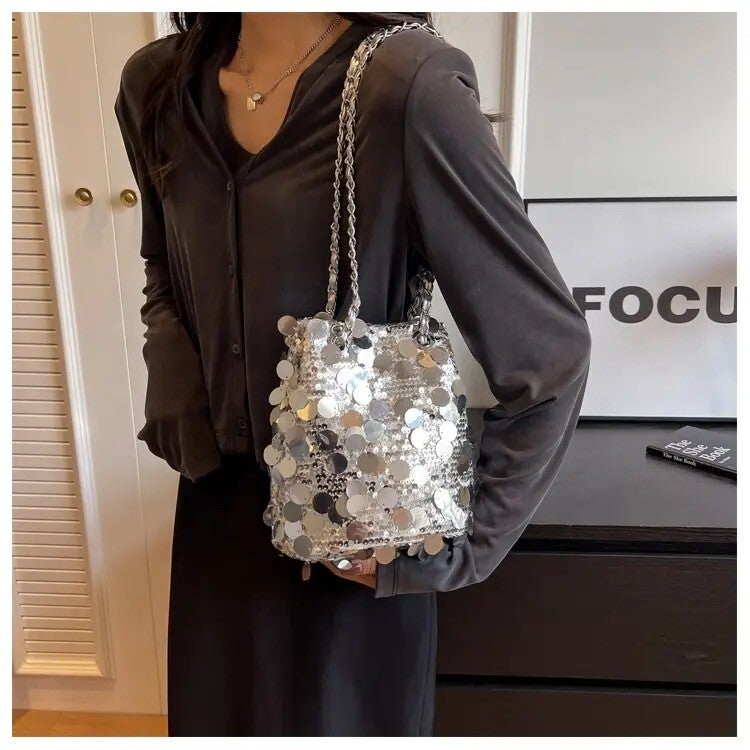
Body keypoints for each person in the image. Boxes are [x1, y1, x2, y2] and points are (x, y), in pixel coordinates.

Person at [114, 11, 591, 737]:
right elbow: (163, 263)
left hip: (360, 530)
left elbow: (548, 352)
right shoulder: (158, 85)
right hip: (216, 509)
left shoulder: (407, 87)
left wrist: (459, 551)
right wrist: (175, 381)